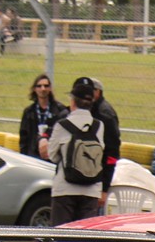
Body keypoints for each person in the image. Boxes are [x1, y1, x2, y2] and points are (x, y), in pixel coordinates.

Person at [40, 77, 112, 224]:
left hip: (65, 188)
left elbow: (52, 156)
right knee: (85, 234)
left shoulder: (62, 125)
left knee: (61, 234)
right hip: (91, 190)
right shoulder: (99, 126)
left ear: (73, 101)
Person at [17, 73, 68, 158]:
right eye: (39, 86)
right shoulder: (29, 112)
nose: (43, 89)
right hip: (32, 156)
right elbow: (23, 138)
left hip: (52, 156)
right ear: (34, 89)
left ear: (50, 88)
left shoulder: (60, 110)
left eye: (46, 86)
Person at [87, 77, 122, 190]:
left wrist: (105, 186)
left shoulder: (104, 114)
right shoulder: (91, 109)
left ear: (97, 92)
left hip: (100, 172)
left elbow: (112, 149)